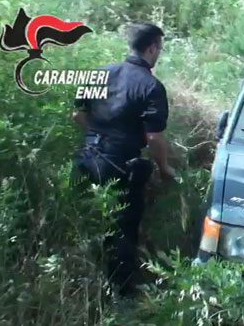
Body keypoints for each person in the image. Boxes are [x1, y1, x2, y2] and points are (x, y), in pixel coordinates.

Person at [72, 22, 175, 296]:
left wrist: (98, 137)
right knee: (123, 227)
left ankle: (77, 278)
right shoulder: (151, 86)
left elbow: (78, 115)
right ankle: (122, 291)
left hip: (86, 158)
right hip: (119, 166)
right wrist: (164, 169)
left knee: (84, 220)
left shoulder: (101, 72)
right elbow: (153, 137)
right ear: (152, 48)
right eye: (159, 49)